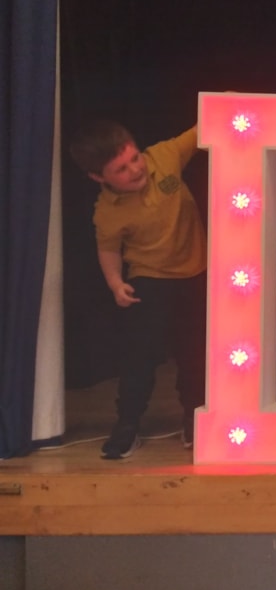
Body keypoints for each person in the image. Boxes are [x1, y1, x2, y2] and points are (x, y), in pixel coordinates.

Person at [68, 119, 207, 458]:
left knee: (195, 353)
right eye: (121, 168)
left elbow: (202, 129)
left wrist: (227, 102)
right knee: (139, 358)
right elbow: (109, 250)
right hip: (150, 279)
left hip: (196, 273)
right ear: (99, 178)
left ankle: (194, 415)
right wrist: (116, 283)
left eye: (134, 158)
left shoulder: (164, 156)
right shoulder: (107, 212)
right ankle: (128, 423)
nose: (134, 169)